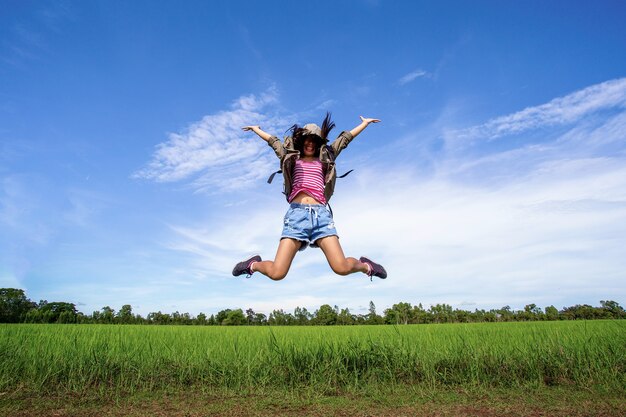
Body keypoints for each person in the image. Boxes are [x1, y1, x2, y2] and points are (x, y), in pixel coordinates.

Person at [232, 113, 387, 281]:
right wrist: (256, 130)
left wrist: (364, 124)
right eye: (307, 140)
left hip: (321, 216)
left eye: (314, 141)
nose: (310, 144)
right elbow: (274, 142)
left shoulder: (326, 156)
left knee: (341, 267)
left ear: (319, 143)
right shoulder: (291, 157)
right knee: (277, 273)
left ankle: (367, 266)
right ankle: (252, 265)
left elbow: (345, 139)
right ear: (301, 141)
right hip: (296, 216)